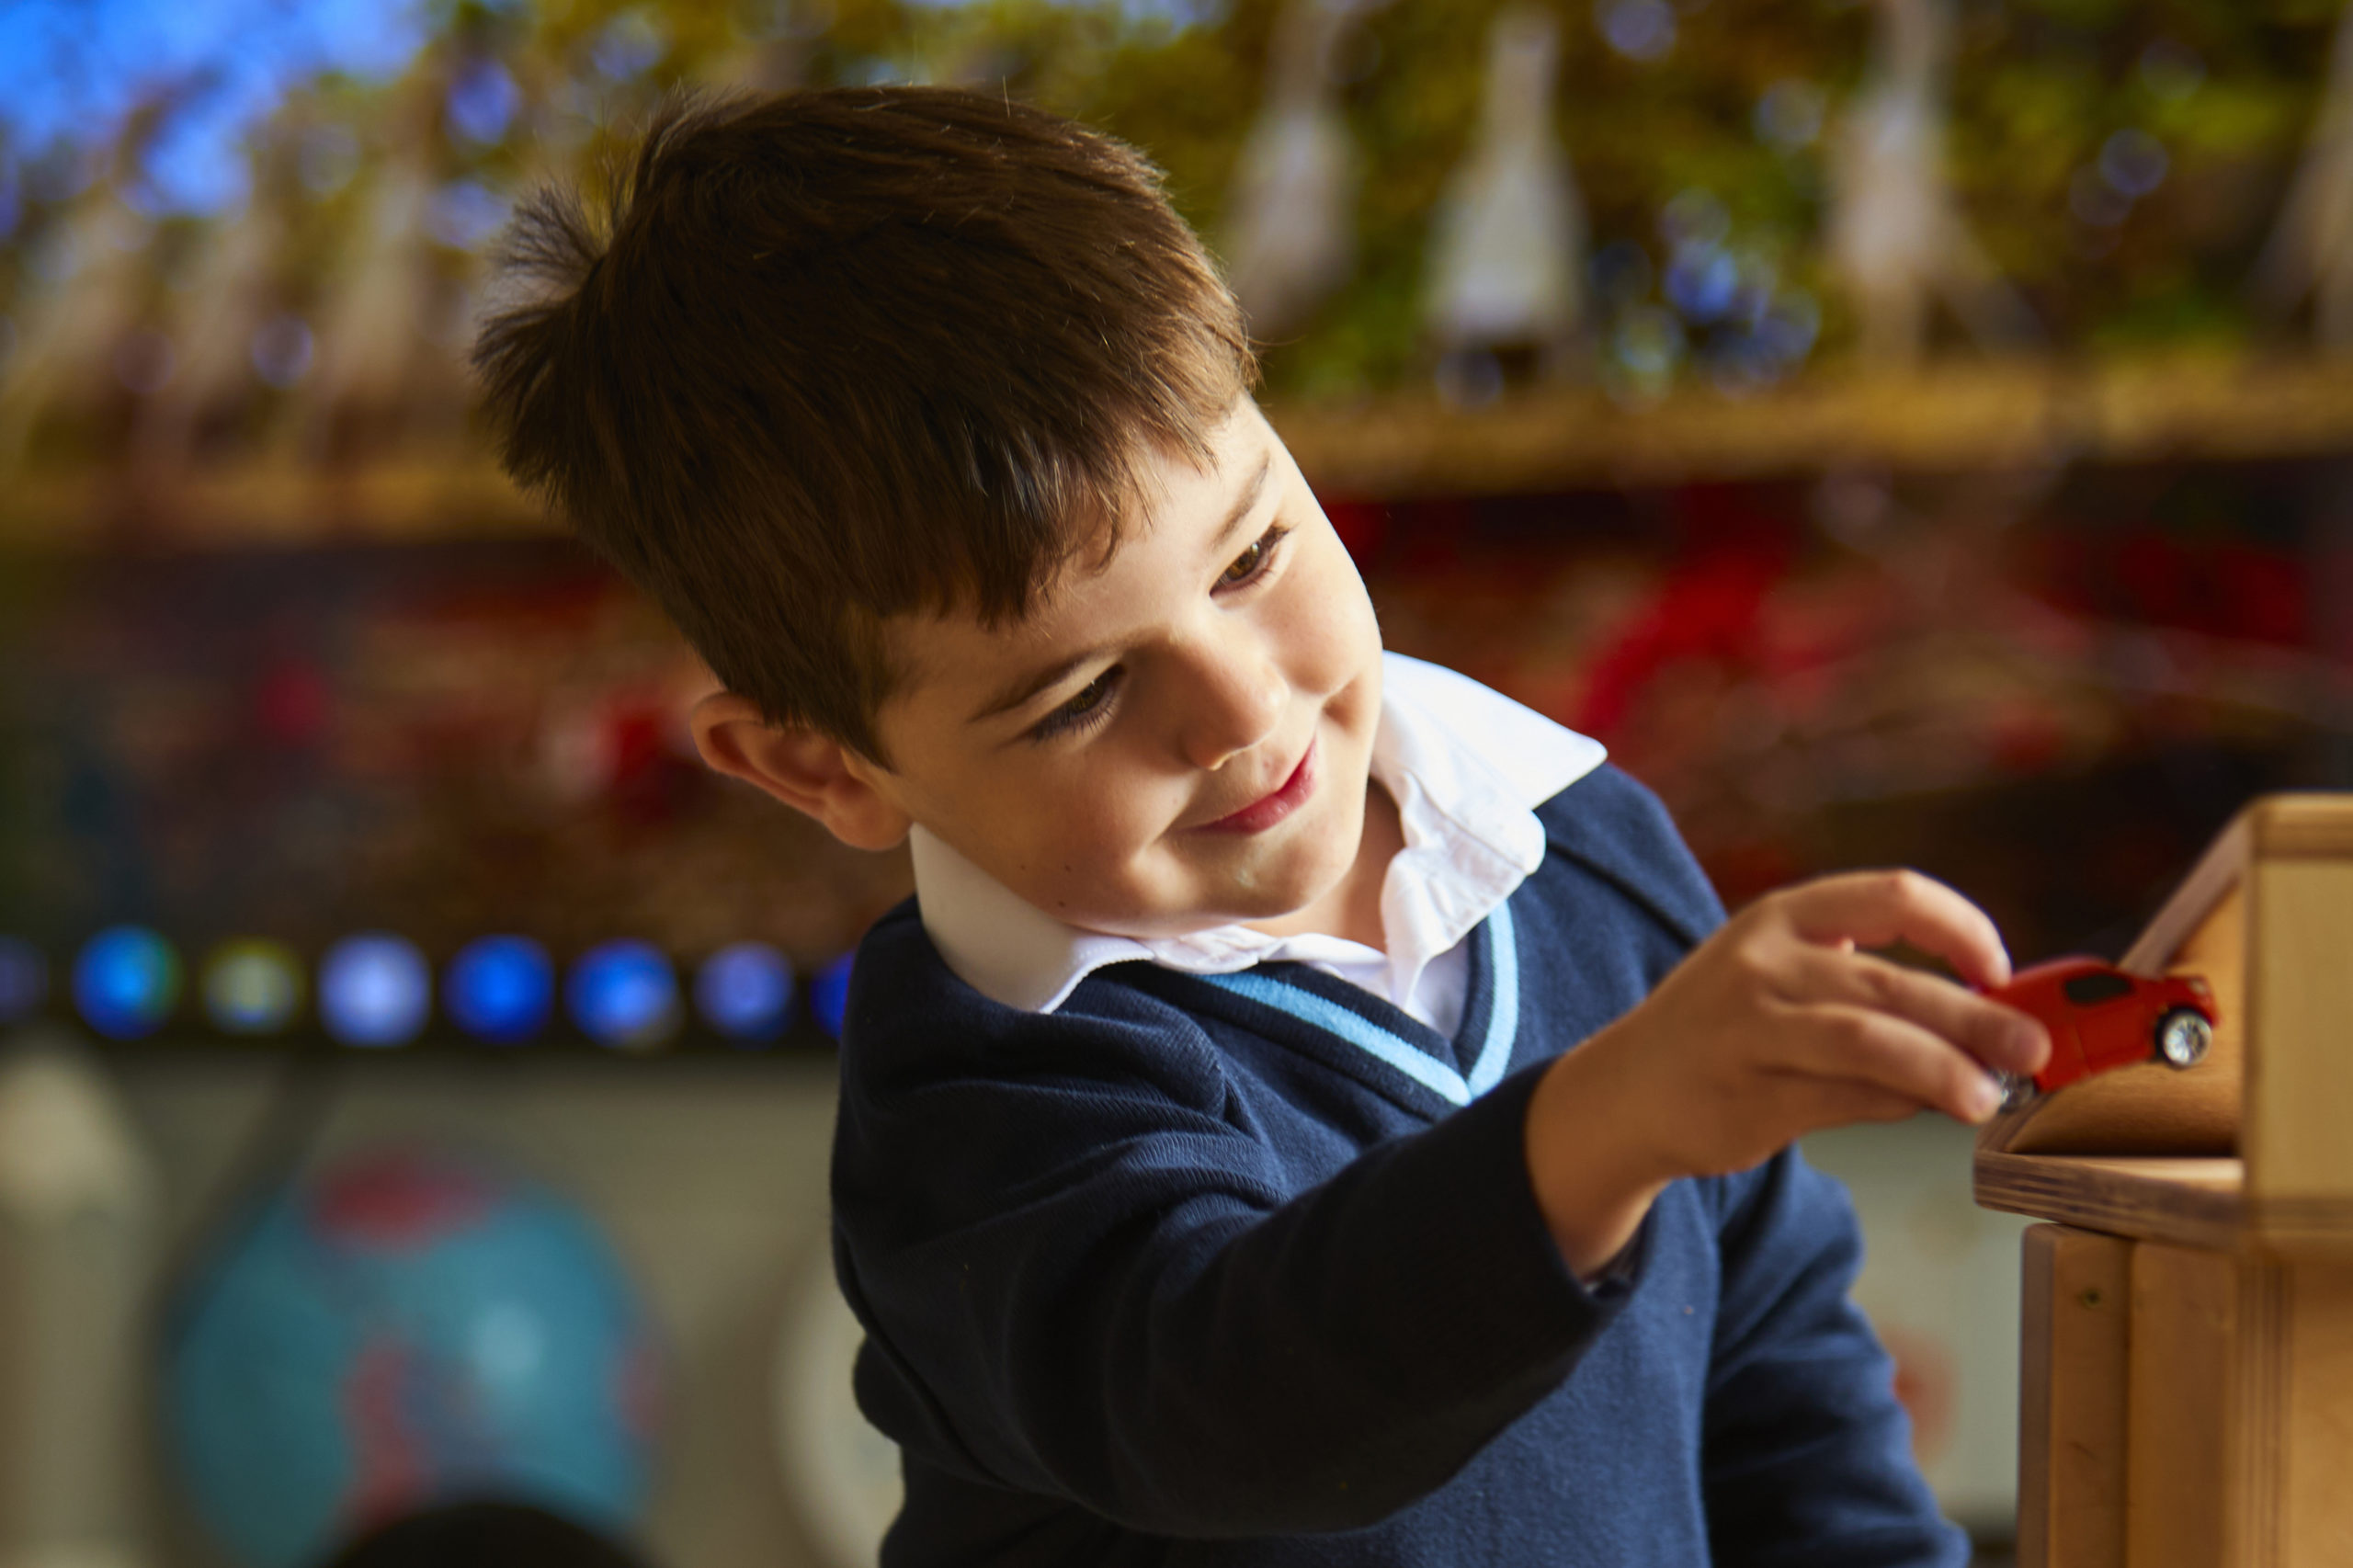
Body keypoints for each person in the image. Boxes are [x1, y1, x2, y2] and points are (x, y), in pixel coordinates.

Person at [472, 86, 2049, 1566]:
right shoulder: (981, 1079)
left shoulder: (1587, 846)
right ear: (824, 768)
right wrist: (1604, 1127)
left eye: (1248, 557)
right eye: (1080, 695)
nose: (1240, 708)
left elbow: (1773, 1363)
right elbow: (1235, 1397)